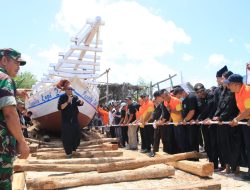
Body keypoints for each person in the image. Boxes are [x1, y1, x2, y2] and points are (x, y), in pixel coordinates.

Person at [0, 48, 30, 189]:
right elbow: (9, 113)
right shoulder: (6, 79)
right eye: (16, 63)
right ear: (4, 60)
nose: (18, 67)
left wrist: (16, 91)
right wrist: (22, 142)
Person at [226, 74, 250, 180]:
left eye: (229, 84)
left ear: (236, 84)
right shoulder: (237, 92)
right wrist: (237, 118)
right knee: (248, 147)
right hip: (247, 121)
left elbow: (249, 109)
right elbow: (243, 108)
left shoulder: (247, 91)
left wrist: (237, 119)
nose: (228, 86)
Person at [57, 80, 84, 158]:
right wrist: (68, 102)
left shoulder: (75, 97)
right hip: (66, 121)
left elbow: (80, 104)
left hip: (75, 120)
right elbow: (60, 107)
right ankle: (68, 153)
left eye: (71, 89)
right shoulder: (62, 97)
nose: (70, 90)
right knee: (67, 137)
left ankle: (73, 149)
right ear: (65, 90)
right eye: (69, 89)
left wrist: (81, 102)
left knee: (77, 135)